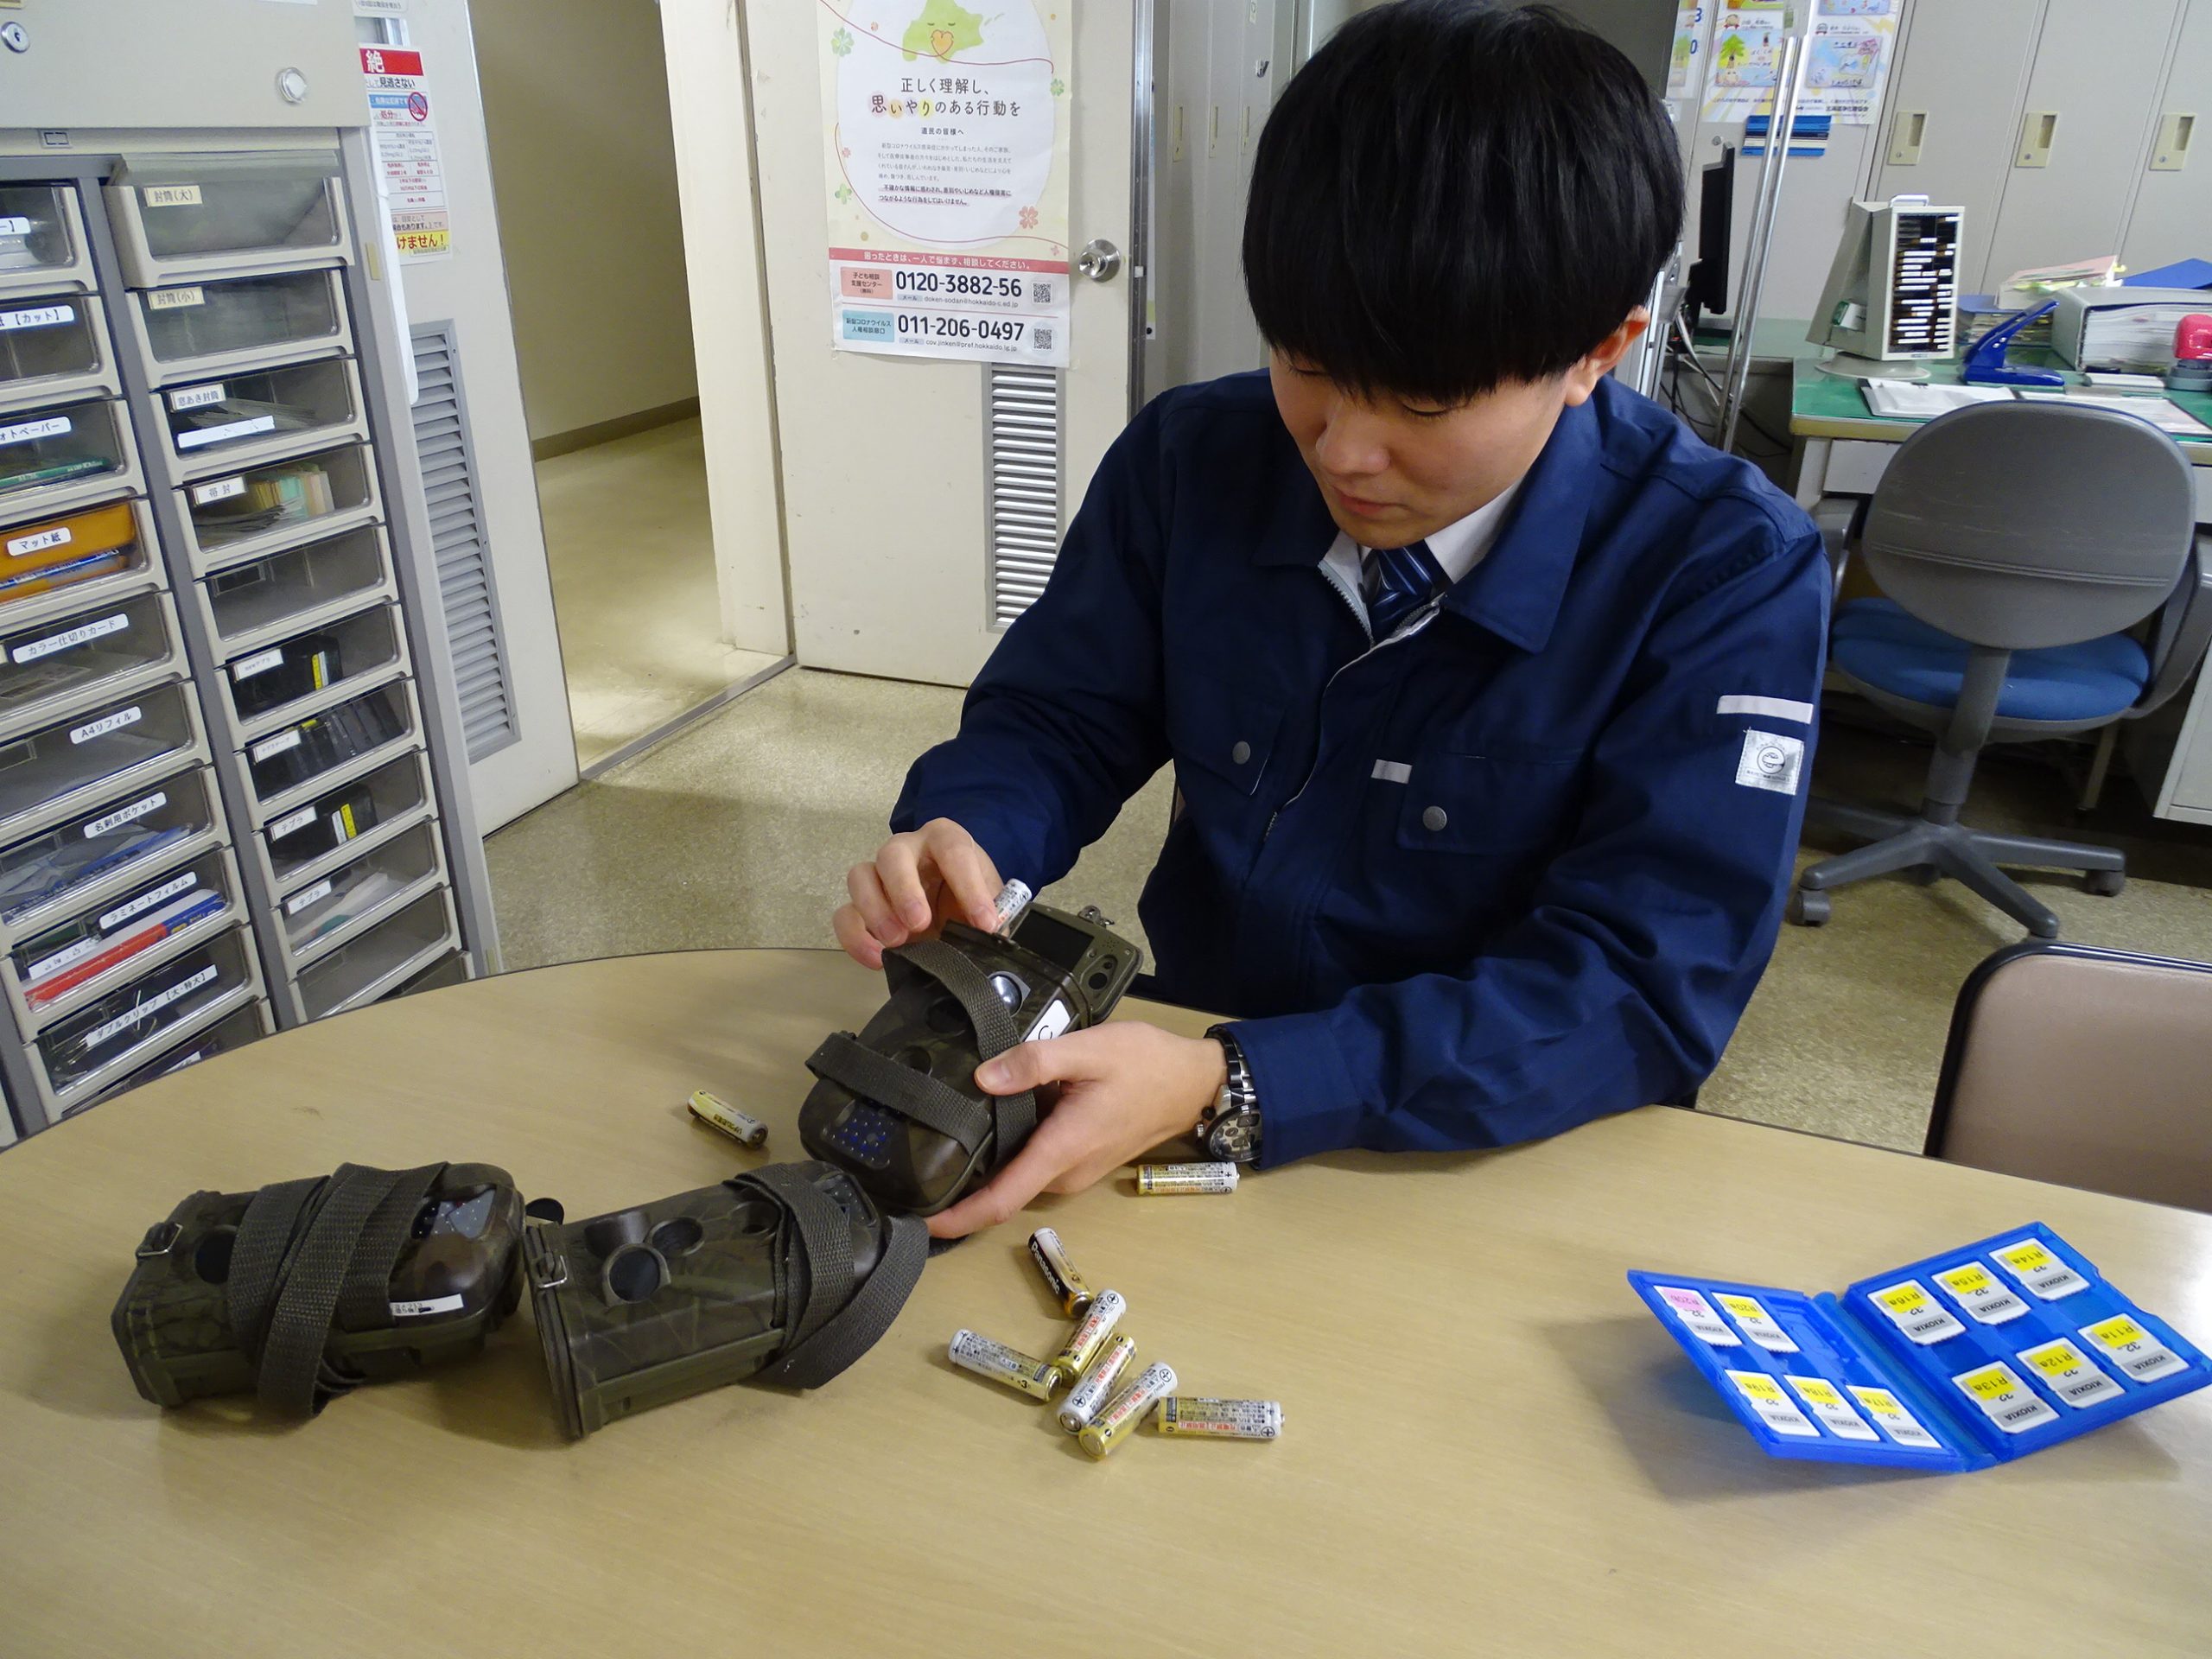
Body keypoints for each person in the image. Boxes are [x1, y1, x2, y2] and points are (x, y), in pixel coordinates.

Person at [834, 0, 1830, 1239]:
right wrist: (972, 832)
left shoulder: (1723, 569)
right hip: (1173, 1079)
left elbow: (1639, 986)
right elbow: (1062, 713)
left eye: (1423, 401)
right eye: (1306, 362)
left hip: (1500, 1148)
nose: (1344, 450)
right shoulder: (1194, 458)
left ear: (1600, 352)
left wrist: (1240, 1083)